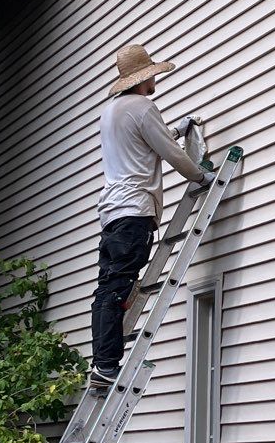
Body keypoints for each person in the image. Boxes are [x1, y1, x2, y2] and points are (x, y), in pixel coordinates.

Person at [89, 42, 208, 392]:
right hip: (134, 212)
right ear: (146, 77)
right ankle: (108, 366)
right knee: (116, 290)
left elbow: (146, 143)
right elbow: (170, 154)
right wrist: (202, 177)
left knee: (106, 289)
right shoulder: (143, 106)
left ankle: (101, 362)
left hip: (111, 214)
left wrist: (175, 128)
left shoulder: (111, 112)